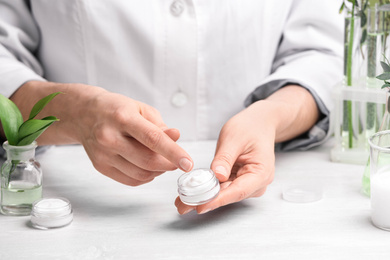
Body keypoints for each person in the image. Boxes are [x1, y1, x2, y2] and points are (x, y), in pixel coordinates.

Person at [0, 0, 343, 215]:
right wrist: (74, 112)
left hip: (263, 203)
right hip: (69, 195)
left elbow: (321, 54)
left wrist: (271, 116)